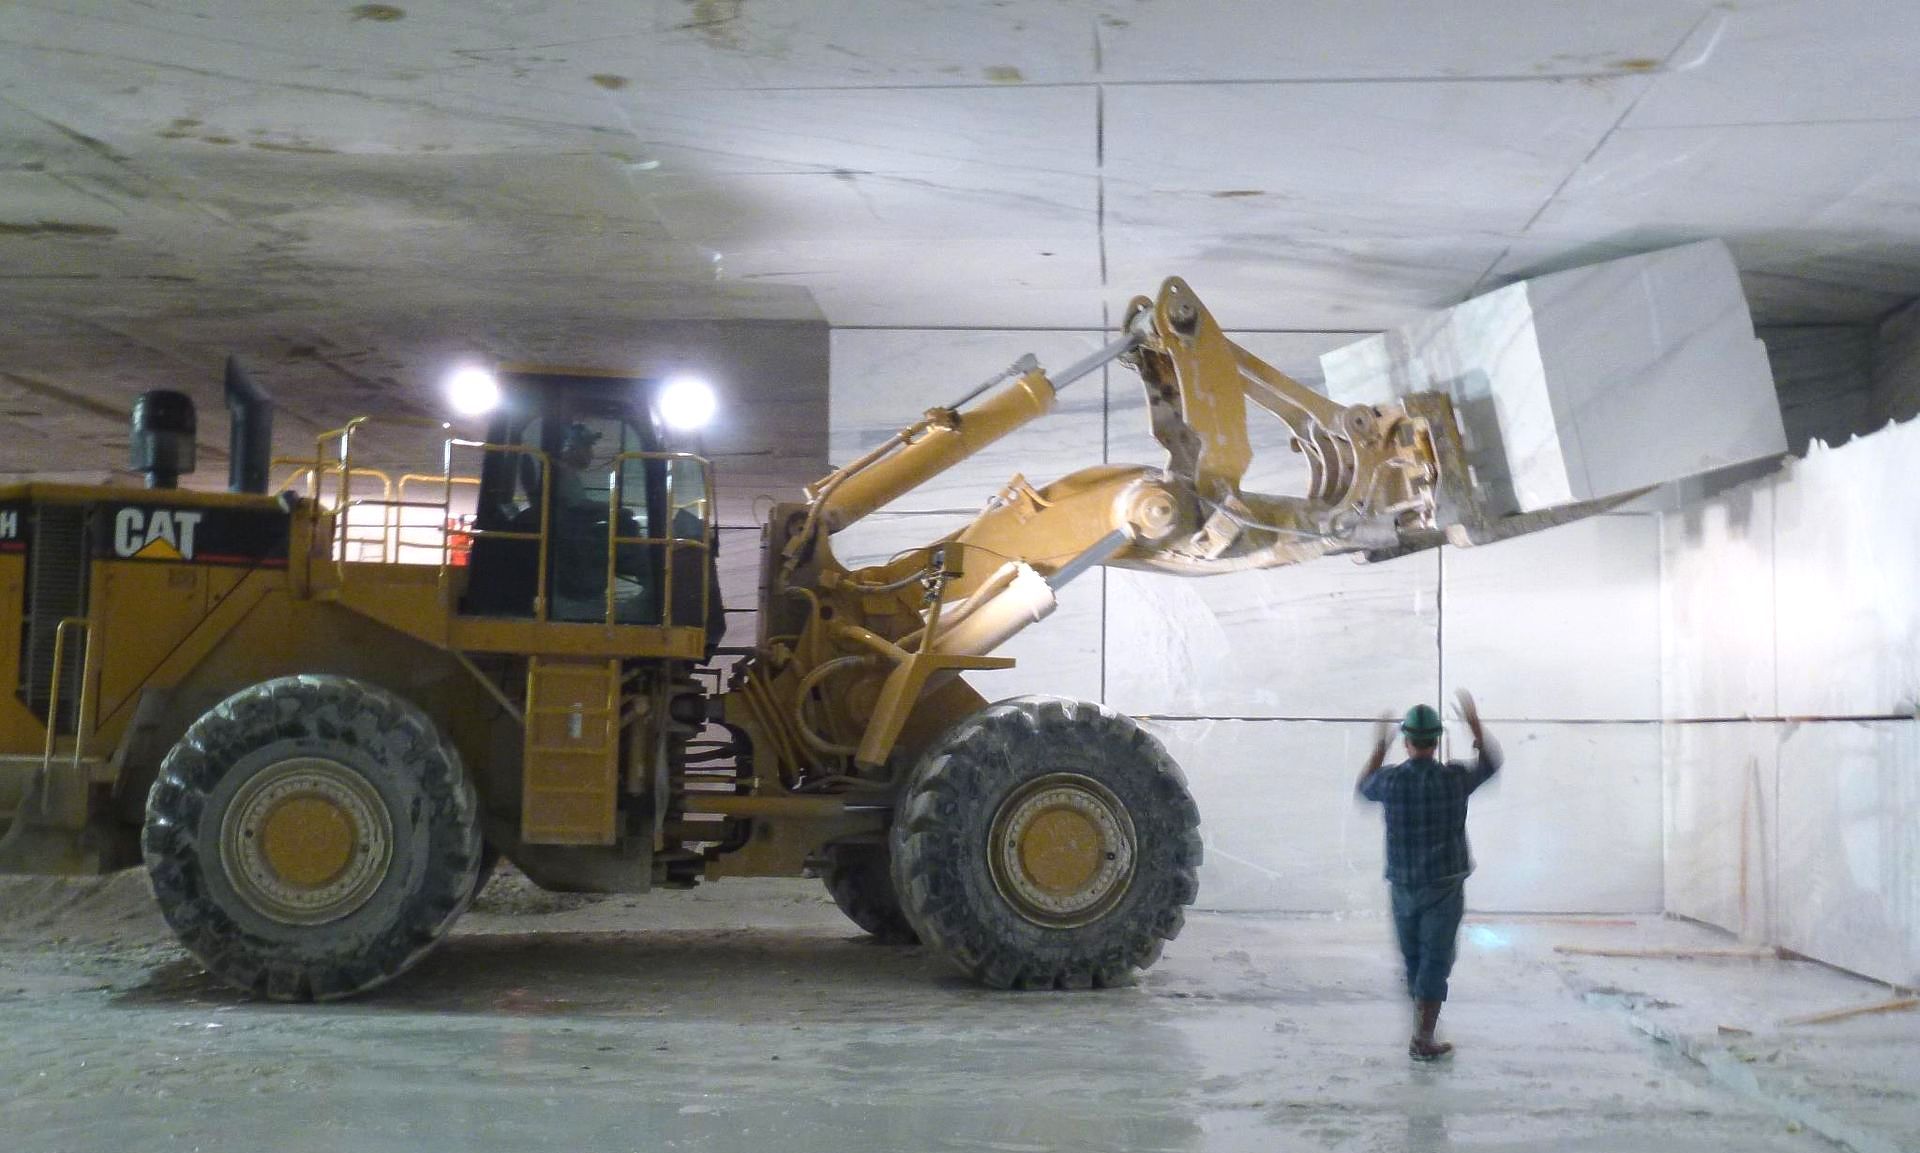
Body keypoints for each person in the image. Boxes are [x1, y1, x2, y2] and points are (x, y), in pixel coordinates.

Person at [1355, 690, 1502, 1061]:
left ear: (1407, 742)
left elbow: (1363, 787)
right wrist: (1475, 726)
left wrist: (1378, 748)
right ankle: (1423, 1035)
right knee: (1436, 957)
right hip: (1444, 884)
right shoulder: (1453, 779)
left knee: (1413, 958)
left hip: (1404, 884)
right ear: (1436, 741)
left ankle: (1420, 1027)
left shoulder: (1391, 782)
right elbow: (1491, 765)